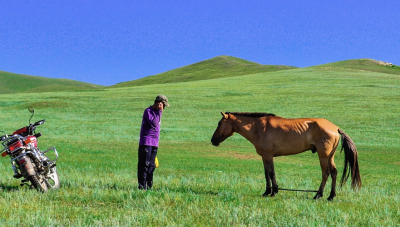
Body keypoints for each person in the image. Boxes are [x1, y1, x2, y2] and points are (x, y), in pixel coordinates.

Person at [137, 95, 169, 190]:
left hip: (154, 143)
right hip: (146, 142)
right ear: (159, 103)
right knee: (144, 165)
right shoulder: (148, 111)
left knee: (152, 165)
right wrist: (160, 111)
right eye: (163, 105)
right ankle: (142, 187)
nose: (164, 108)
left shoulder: (157, 113)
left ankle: (149, 186)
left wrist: (159, 112)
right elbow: (154, 123)